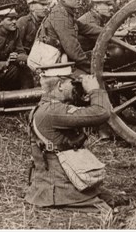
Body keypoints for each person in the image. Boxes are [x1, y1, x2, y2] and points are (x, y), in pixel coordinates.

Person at [25, 62, 113, 213]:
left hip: (59, 182)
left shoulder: (49, 107)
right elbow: (101, 113)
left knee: (111, 198)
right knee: (106, 209)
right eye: (71, 82)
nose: (74, 86)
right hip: (58, 189)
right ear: (60, 85)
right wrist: (95, 90)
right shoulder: (52, 111)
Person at [40, 0, 102, 74]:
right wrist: (93, 68)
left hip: (60, 62)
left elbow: (86, 28)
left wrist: (111, 32)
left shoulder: (65, 13)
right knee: (92, 82)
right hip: (54, 67)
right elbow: (73, 50)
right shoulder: (60, 15)